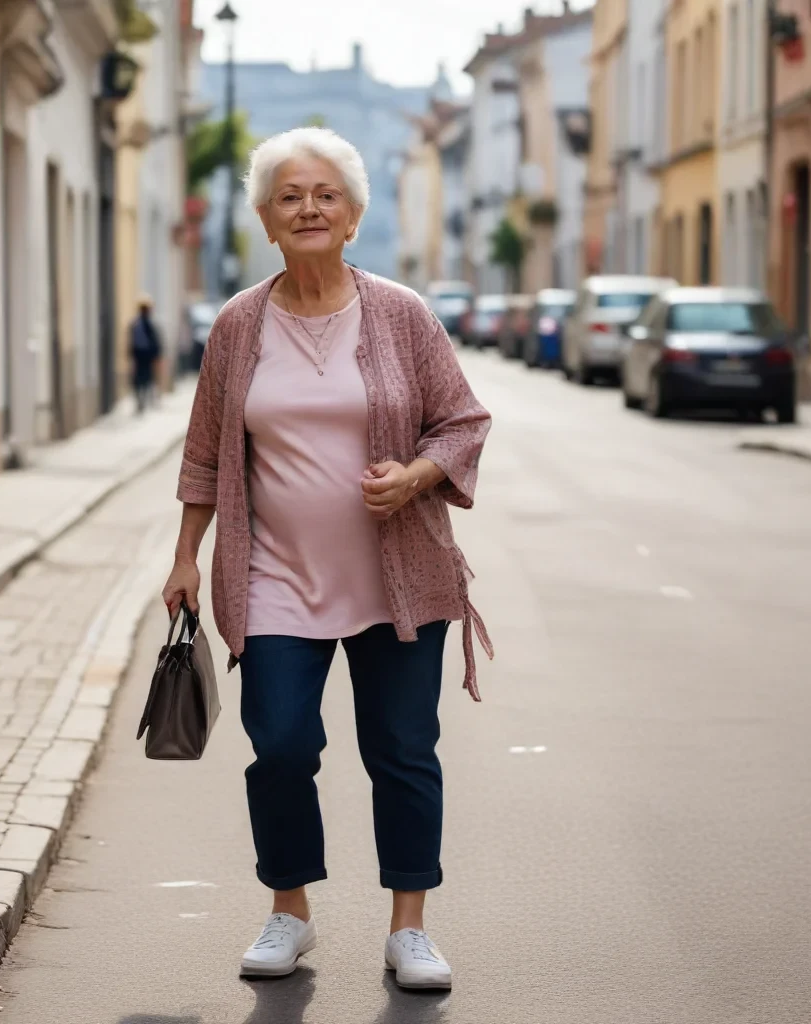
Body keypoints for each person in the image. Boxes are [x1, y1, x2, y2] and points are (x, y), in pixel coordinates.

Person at [162, 127, 492, 991]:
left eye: (325, 195)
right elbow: (205, 452)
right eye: (288, 196)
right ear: (267, 221)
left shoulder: (401, 313)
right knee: (276, 742)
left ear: (351, 216)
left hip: (397, 580)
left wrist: (417, 474)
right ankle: (290, 910)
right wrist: (187, 557)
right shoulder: (239, 325)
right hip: (272, 575)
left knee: (402, 750)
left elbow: (463, 421)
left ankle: (409, 927)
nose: (308, 208)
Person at [129, 294, 162, 413]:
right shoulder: (138, 324)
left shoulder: (143, 324)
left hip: (145, 356)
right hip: (141, 356)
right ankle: (141, 400)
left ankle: (144, 400)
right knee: (141, 378)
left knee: (145, 378)